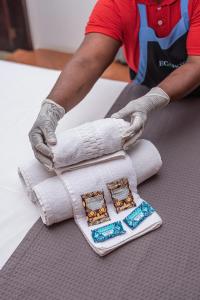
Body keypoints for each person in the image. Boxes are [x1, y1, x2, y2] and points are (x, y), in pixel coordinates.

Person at [29, 0, 200, 168]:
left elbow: (197, 64)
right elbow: (88, 61)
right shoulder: (116, 3)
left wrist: (151, 100)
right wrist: (51, 109)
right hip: (144, 91)